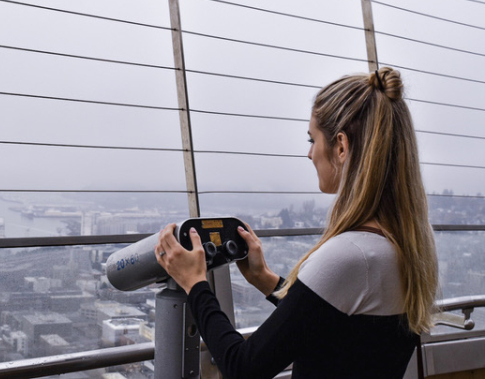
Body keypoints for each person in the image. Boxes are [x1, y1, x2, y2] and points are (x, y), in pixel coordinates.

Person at [154, 67, 439, 379]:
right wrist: (263, 278)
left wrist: (195, 283)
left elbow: (243, 366)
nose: (309, 153)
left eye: (312, 139)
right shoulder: (403, 247)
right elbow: (334, 328)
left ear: (341, 147)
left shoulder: (350, 254)